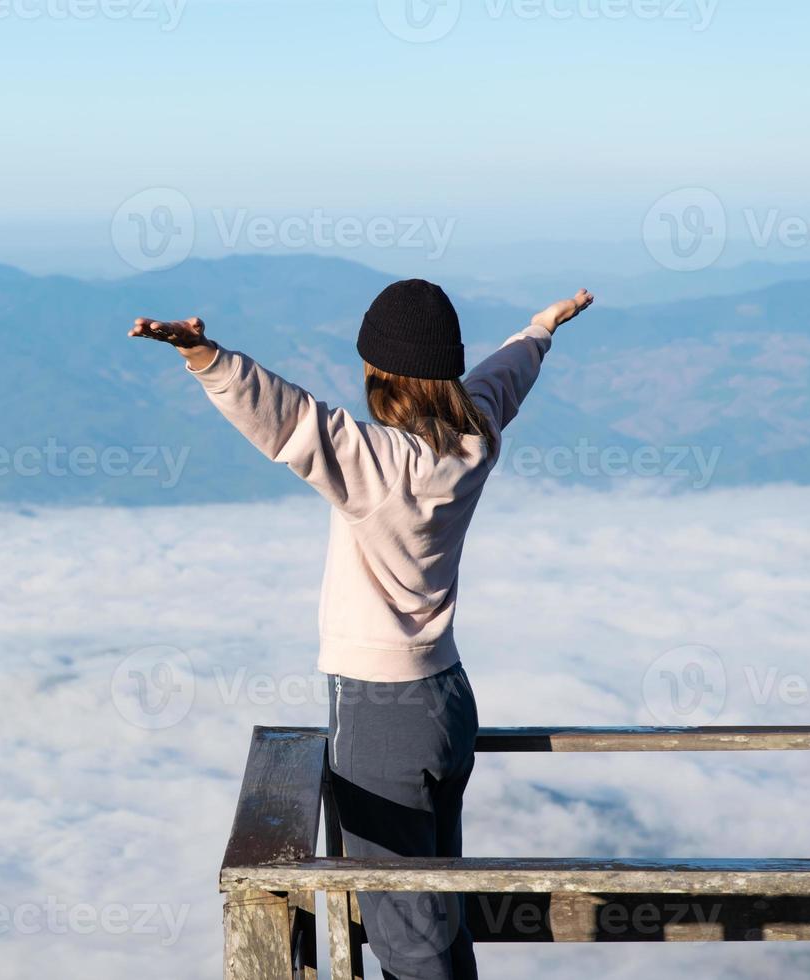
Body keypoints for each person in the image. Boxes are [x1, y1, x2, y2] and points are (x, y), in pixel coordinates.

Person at [129, 279, 594, 979]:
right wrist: (539, 330)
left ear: (382, 375)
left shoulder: (377, 466)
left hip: (382, 712)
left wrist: (204, 356)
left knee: (405, 930)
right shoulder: (475, 436)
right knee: (436, 906)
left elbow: (289, 421)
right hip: (447, 696)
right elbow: (504, 379)